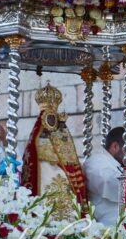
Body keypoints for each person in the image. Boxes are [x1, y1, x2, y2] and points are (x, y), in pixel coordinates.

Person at [21, 83, 88, 220]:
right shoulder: (37, 138)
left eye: (54, 119)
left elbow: (70, 159)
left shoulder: (62, 134)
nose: (52, 123)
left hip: (62, 175)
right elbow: (32, 157)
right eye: (49, 119)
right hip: (43, 174)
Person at [83, 127, 125, 226]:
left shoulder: (118, 165)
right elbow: (107, 182)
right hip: (110, 224)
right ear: (115, 146)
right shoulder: (96, 161)